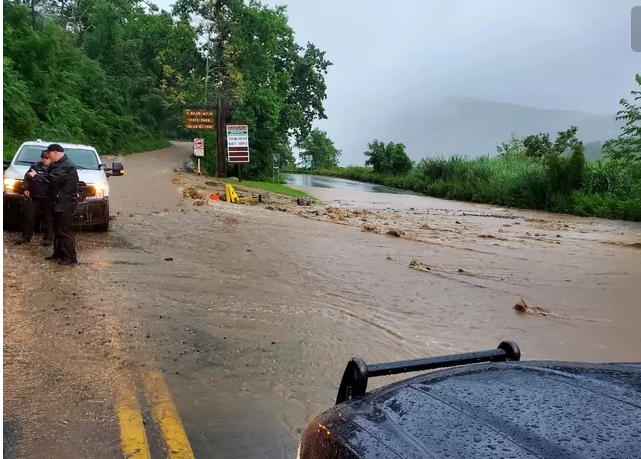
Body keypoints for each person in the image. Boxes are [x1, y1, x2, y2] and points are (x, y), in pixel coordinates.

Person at [28, 144, 79, 266]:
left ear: (55, 153)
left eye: (49, 154)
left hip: (65, 203)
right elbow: (46, 176)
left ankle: (70, 258)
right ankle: (58, 254)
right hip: (55, 202)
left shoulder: (66, 166)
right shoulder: (56, 164)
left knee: (64, 231)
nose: (48, 157)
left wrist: (36, 176)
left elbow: (51, 179)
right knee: (56, 230)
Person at [14, 151, 53, 246]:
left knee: (47, 219)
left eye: (46, 158)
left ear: (51, 159)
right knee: (28, 217)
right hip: (34, 195)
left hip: (47, 197)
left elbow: (52, 181)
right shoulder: (35, 166)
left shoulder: (53, 168)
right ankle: (25, 237)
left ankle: (48, 238)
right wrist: (25, 189)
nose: (44, 159)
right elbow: (27, 178)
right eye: (43, 157)